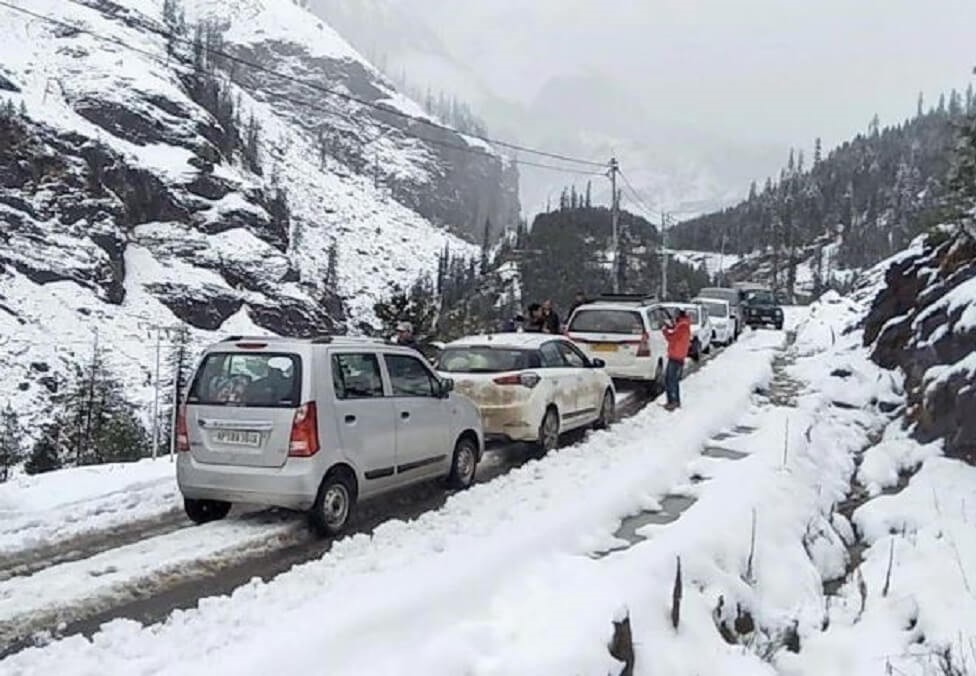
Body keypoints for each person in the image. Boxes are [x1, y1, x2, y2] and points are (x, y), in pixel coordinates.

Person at [661, 309, 692, 411]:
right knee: (671, 379)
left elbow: (672, 338)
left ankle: (674, 401)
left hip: (676, 356)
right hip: (678, 355)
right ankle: (673, 401)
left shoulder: (682, 326)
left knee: (671, 380)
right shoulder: (683, 325)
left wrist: (665, 331)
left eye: (675, 315)